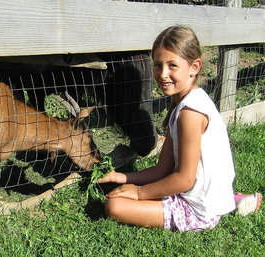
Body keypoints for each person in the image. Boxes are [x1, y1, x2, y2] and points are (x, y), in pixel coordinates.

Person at [97, 25, 262, 232]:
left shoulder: (190, 114)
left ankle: (222, 203)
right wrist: (120, 177)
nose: (163, 74)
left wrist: (139, 193)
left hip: (198, 211)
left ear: (194, 67)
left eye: (172, 65)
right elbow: (162, 169)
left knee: (114, 205)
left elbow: (184, 179)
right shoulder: (186, 103)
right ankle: (229, 199)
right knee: (120, 196)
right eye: (158, 65)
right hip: (201, 196)